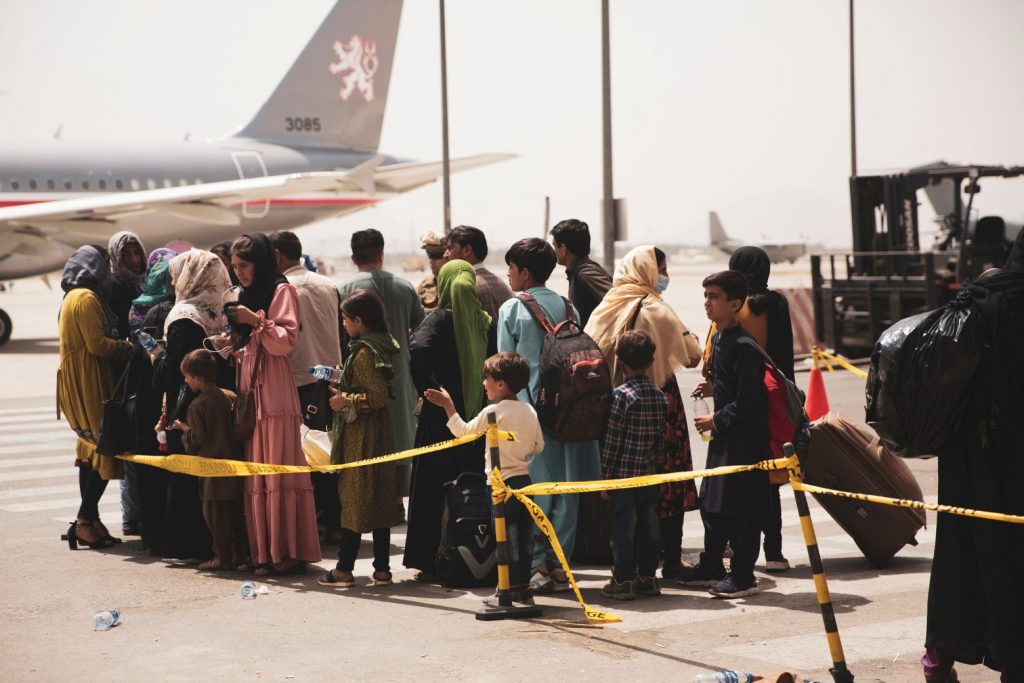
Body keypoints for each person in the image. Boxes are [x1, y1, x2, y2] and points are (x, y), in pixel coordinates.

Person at [921, 229, 1024, 683]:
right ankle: (1014, 660)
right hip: (1012, 450)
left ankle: (939, 657)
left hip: (964, 449)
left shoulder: (978, 292)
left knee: (958, 548)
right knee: (1011, 554)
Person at [584, 245, 703, 579]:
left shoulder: (605, 306)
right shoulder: (656, 308)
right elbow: (693, 356)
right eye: (661, 269)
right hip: (660, 403)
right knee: (668, 480)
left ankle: (628, 564)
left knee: (624, 495)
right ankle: (671, 559)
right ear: (649, 271)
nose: (664, 277)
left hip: (616, 402)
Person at [497, 238, 601, 592]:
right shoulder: (569, 307)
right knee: (567, 490)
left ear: (525, 272)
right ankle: (560, 565)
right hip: (571, 410)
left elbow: (503, 369)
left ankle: (539, 562)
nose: (508, 275)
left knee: (538, 488)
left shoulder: (511, 310)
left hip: (532, 413)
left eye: (510, 268)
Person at [229, 233, 321, 575]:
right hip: (252, 388)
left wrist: (255, 321)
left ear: (262, 262)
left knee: (278, 466)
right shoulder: (246, 294)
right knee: (258, 470)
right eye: (235, 266)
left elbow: (285, 341)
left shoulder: (282, 290)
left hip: (276, 389)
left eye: (245, 265)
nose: (239, 272)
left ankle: (286, 552)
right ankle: (264, 552)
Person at [425, 352, 545, 605]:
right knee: (524, 539)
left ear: (501, 384)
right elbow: (538, 446)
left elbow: (463, 432)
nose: (483, 383)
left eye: (486, 378)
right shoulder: (529, 411)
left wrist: (449, 406)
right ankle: (523, 587)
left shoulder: (492, 413)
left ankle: (506, 591)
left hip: (501, 486)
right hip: (525, 484)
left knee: (504, 538)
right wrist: (518, 448)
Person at [678, 270, 768, 599]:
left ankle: (744, 576)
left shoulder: (745, 345)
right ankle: (711, 565)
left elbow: (749, 402)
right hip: (723, 439)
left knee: (740, 509)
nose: (706, 303)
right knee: (712, 505)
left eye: (713, 297)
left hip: (743, 443)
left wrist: (717, 420)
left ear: (735, 304)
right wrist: (714, 387)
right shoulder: (720, 339)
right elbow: (733, 388)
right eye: (705, 296)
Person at [403, 260, 490, 580]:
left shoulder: (438, 318)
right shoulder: (484, 321)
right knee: (471, 484)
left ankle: (429, 559)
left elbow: (418, 347)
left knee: (431, 489)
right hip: (475, 420)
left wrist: (430, 389)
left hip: (441, 418)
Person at [154, 249, 235, 560]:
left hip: (191, 409)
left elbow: (174, 373)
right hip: (223, 402)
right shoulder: (224, 309)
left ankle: (190, 543)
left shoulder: (183, 317)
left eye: (177, 274)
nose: (174, 281)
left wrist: (156, 358)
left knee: (187, 476)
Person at [318, 289, 401, 588]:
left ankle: (343, 569)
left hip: (363, 435)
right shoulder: (374, 346)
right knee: (377, 497)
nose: (342, 324)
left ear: (358, 320)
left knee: (354, 498)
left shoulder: (365, 352)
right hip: (378, 432)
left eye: (344, 318)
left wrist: (345, 400)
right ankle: (381, 569)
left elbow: (377, 396)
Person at [337, 228, 425, 503]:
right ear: (382, 254)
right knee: (400, 432)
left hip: (362, 374)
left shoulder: (346, 289)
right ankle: (398, 499)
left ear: (353, 258)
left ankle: (375, 499)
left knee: (368, 435)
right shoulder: (405, 286)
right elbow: (420, 329)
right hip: (400, 372)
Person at [57, 245, 133, 549]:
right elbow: (98, 344)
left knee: (89, 448)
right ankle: (84, 521)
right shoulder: (86, 299)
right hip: (90, 377)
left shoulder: (71, 297)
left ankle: (91, 521)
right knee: (104, 444)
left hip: (79, 376)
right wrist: (130, 349)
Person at [270, 230, 343, 542]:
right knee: (328, 451)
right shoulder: (328, 284)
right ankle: (336, 523)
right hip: (330, 380)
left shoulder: (284, 289)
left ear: (276, 256)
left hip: (299, 380)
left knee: (304, 454)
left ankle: (311, 525)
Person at [726, 246, 796, 572]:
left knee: (742, 476)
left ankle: (737, 546)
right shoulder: (777, 303)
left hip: (743, 400)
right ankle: (776, 552)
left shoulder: (735, 308)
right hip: (777, 396)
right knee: (772, 476)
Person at [600, 331, 667, 600]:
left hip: (623, 478)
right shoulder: (660, 396)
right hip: (649, 476)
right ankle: (648, 578)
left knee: (623, 530)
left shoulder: (620, 397)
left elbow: (613, 441)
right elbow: (660, 440)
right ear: (651, 362)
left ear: (619, 361)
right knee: (650, 528)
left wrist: (605, 478)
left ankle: (623, 580)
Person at [173, 349, 248, 572]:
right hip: (235, 467)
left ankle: (222, 557)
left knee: (215, 517)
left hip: (212, 473)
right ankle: (239, 555)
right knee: (235, 514)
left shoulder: (197, 406)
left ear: (197, 378)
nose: (185, 381)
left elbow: (197, 439)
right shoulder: (230, 396)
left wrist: (183, 428)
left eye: (187, 376)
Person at [127, 253, 177, 554]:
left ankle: (151, 536)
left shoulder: (145, 311)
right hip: (162, 405)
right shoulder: (167, 313)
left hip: (147, 403)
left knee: (149, 477)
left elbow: (135, 363)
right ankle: (166, 537)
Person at [444, 225, 514, 323]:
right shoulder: (503, 285)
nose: (445, 254)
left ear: (466, 250)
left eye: (450, 248)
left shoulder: (463, 286)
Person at [550, 219, 612, 326]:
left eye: (555, 246)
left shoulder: (586, 273)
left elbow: (617, 301)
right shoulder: (579, 271)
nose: (554, 251)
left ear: (563, 249)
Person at [107, 230, 147, 339]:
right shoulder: (113, 286)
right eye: (126, 255)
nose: (134, 260)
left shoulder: (143, 282)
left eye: (136, 253)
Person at [415, 230, 448, 312]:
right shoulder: (424, 286)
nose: (431, 261)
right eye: (429, 255)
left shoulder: (459, 285)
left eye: (436, 255)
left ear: (448, 256)